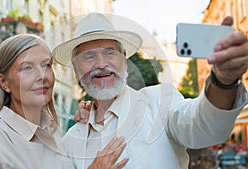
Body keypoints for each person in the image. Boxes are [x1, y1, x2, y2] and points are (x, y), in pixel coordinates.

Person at [52, 13, 248, 169]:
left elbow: (204, 127)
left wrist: (223, 81)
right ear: (76, 69)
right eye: (89, 56)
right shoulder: (70, 142)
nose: (101, 64)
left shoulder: (160, 102)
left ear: (124, 59)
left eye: (109, 52)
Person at [0, 34, 129, 169]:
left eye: (46, 65)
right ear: (4, 82)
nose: (42, 76)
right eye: (27, 68)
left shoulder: (51, 135)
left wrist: (94, 111)